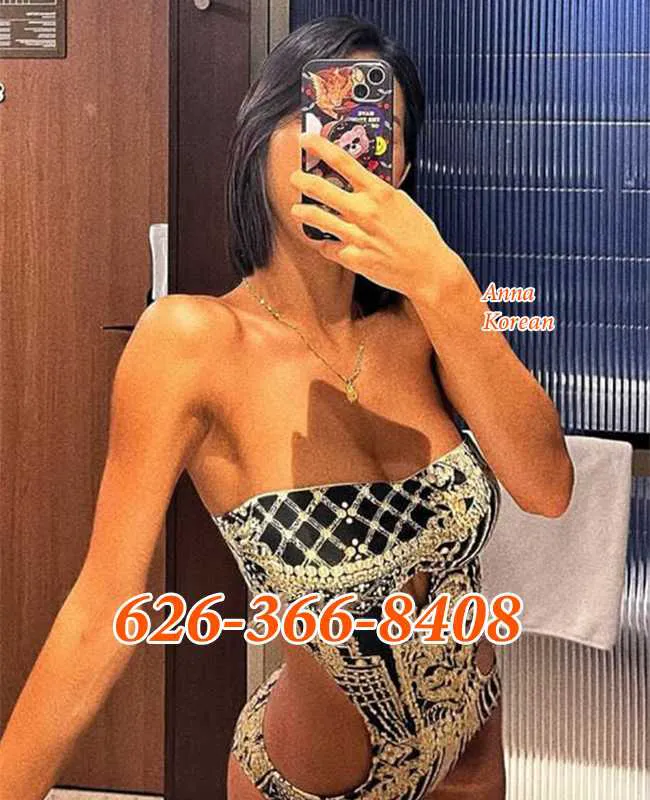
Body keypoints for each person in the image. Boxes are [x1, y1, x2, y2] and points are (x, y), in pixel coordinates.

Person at [0, 14, 574, 800]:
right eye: (321, 116)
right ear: (258, 137)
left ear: (403, 166)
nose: (345, 149)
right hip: (310, 783)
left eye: (374, 130)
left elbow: (547, 488)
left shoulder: (424, 321)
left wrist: (444, 282)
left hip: (471, 755)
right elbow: (104, 607)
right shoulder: (193, 340)